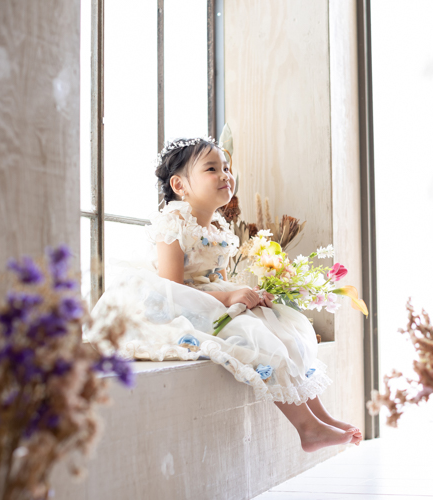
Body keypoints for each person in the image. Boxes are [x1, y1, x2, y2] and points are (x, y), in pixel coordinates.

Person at [87, 136, 361, 451]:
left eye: (227, 168)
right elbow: (171, 291)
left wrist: (247, 296)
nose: (225, 175)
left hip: (206, 300)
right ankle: (307, 428)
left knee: (284, 329)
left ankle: (321, 417)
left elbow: (219, 280)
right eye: (211, 169)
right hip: (174, 307)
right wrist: (229, 299)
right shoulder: (173, 223)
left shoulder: (218, 228)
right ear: (179, 185)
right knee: (261, 339)